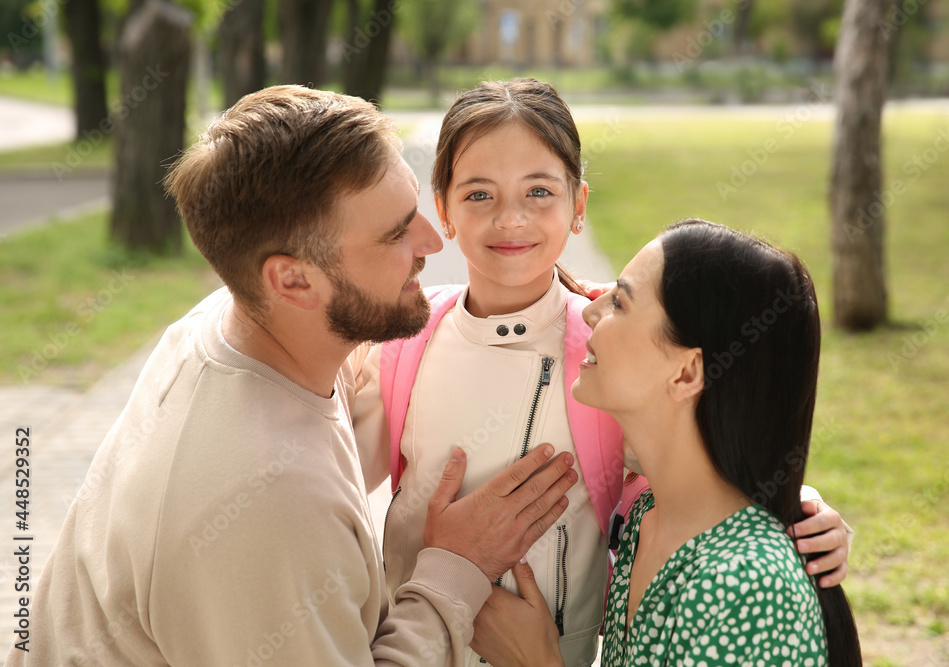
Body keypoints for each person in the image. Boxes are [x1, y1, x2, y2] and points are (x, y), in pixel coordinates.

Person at [6, 85, 581, 666]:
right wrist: (455, 571)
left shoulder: (227, 320)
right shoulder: (265, 504)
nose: (432, 242)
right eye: (395, 234)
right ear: (294, 282)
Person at [351, 79, 853, 667]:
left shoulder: (608, 352)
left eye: (539, 191)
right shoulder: (404, 343)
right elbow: (331, 480)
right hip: (418, 645)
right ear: (444, 210)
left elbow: (702, 465)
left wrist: (803, 511)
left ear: (579, 206)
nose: (511, 218)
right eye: (479, 195)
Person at [471, 219, 863, 666]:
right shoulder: (645, 520)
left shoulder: (745, 585)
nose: (590, 312)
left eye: (619, 302)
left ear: (686, 373)